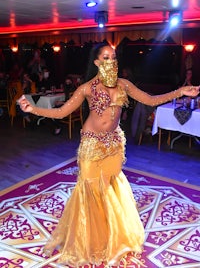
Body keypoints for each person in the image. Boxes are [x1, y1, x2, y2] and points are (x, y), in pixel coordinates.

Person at [18, 43, 199, 267]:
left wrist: (180, 91)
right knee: (90, 190)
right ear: (96, 62)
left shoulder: (124, 84)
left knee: (109, 189)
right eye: (105, 57)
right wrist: (32, 110)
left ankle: (110, 237)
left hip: (113, 145)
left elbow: (150, 100)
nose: (111, 61)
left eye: (113, 57)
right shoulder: (85, 88)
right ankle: (90, 239)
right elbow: (61, 112)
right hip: (91, 146)